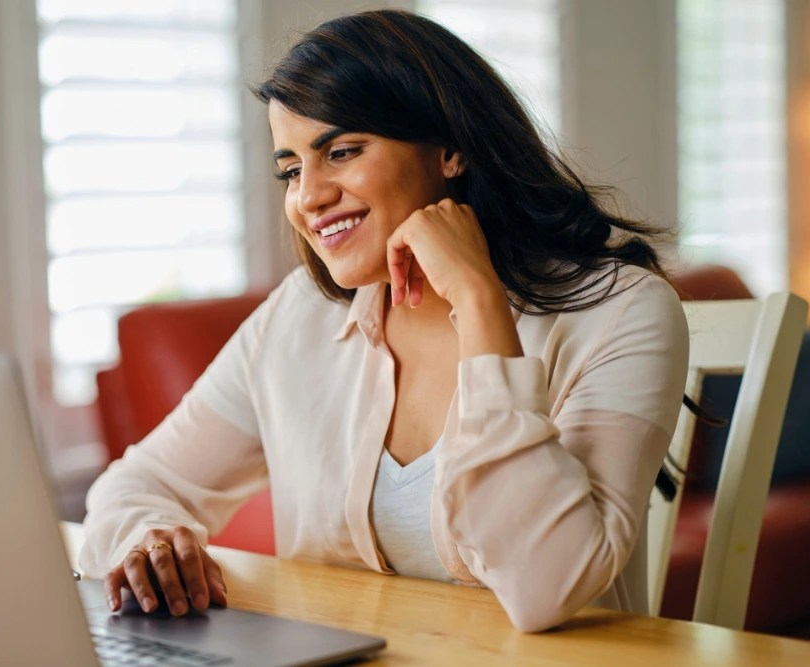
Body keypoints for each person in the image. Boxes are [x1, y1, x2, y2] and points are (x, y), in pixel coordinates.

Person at [79, 9, 688, 633]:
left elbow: (547, 588)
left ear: (451, 149)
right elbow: (137, 484)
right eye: (291, 170)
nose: (308, 196)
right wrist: (152, 542)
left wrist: (479, 304)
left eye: (340, 152)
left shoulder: (622, 311)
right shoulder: (299, 317)